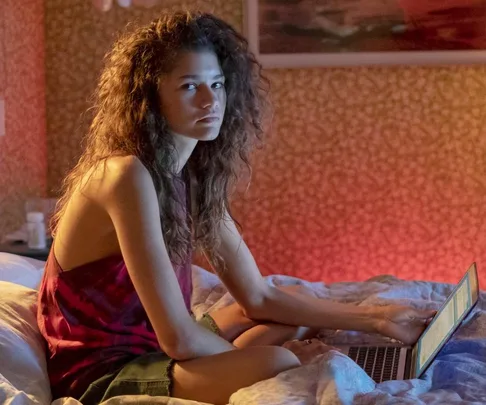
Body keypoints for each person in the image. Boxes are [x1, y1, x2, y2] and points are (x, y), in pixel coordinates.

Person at [37, 11, 435, 405]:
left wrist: (378, 319)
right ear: (149, 98)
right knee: (277, 356)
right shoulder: (125, 175)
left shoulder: (191, 175)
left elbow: (257, 296)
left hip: (154, 344)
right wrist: (273, 362)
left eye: (218, 84)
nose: (211, 100)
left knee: (287, 306)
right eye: (190, 86)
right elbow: (178, 337)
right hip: (105, 370)